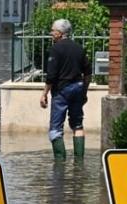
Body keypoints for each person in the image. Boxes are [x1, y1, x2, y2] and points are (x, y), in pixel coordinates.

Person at [39, 19, 92, 160]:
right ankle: (79, 163)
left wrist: (44, 94)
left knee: (55, 128)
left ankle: (60, 163)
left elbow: (51, 76)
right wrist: (84, 92)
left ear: (60, 33)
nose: (51, 33)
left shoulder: (55, 49)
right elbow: (88, 72)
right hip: (78, 88)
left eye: (53, 31)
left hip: (61, 91)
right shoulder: (79, 48)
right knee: (78, 125)